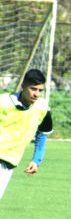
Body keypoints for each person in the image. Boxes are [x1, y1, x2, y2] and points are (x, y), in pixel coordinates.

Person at [0, 69, 53, 200]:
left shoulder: (42, 108)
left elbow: (42, 135)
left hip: (9, 164)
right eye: (33, 89)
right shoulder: (3, 103)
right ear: (23, 87)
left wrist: (36, 160)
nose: (36, 94)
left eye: (40, 90)